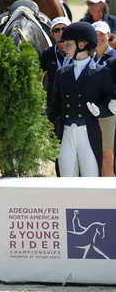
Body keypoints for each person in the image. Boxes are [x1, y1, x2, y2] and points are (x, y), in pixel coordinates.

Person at [47, 22, 115, 177]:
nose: (64, 48)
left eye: (68, 44)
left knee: (90, 178)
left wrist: (100, 110)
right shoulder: (61, 73)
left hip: (88, 132)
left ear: (82, 44)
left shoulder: (101, 72)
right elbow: (54, 106)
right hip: (66, 133)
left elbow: (110, 101)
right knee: (66, 177)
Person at [92, 21, 116, 176]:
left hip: (109, 112)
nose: (99, 37)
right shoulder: (91, 57)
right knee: (98, 155)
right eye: (95, 34)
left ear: (109, 36)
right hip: (94, 111)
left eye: (102, 34)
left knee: (107, 157)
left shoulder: (114, 57)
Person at [40, 16, 72, 102]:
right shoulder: (47, 53)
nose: (61, 32)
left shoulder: (79, 53)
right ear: (52, 34)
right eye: (56, 30)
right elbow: (39, 76)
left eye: (64, 28)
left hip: (74, 101)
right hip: (53, 102)